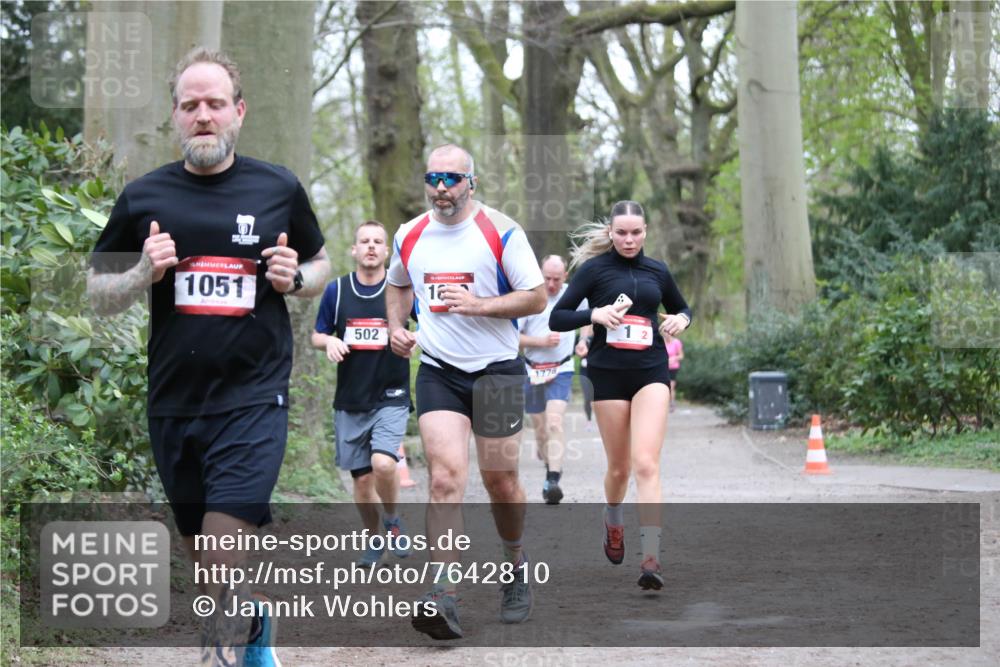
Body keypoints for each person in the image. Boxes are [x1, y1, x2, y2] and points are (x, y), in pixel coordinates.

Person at [87, 47, 330, 667]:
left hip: (254, 398)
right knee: (204, 559)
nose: (203, 115)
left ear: (238, 111)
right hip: (174, 404)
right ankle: (253, 622)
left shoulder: (277, 187)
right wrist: (142, 273)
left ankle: (218, 656)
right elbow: (98, 295)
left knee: (222, 548)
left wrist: (296, 278)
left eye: (215, 104)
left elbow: (321, 264)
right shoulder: (143, 197)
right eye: (190, 104)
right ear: (174, 114)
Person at [385, 144, 546, 639]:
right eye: (433, 178)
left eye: (451, 179)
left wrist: (479, 305)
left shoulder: (501, 231)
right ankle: (444, 595)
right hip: (438, 371)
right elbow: (397, 284)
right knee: (444, 479)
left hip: (497, 371)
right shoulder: (409, 234)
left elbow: (536, 296)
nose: (441, 188)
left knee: (501, 482)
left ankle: (514, 564)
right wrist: (396, 327)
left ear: (471, 183)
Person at [549, 200, 691, 591]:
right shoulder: (594, 271)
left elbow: (682, 307)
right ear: (611, 233)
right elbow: (557, 317)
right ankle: (613, 519)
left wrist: (682, 319)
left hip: (651, 372)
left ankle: (651, 557)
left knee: (646, 462)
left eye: (636, 232)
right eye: (622, 233)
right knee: (619, 469)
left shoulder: (658, 271)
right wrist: (593, 315)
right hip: (608, 376)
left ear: (646, 232)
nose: (629, 240)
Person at [311, 220, 412, 567]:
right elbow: (317, 334)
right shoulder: (337, 291)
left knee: (383, 463)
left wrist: (414, 339)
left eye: (378, 241)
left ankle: (393, 520)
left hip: (391, 394)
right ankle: (373, 539)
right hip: (351, 398)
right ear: (354, 250)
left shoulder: (401, 290)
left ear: (386, 251)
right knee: (362, 481)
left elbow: (429, 326)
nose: (371, 246)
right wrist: (330, 341)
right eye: (365, 241)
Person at [518, 255, 587, 504]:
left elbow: (587, 319)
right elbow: (513, 338)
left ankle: (553, 480)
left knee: (554, 423)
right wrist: (541, 341)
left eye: (556, 279)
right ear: (540, 273)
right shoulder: (529, 296)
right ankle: (549, 461)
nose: (551, 284)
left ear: (565, 277)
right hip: (532, 370)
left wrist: (583, 340)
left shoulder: (573, 295)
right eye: (547, 278)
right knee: (541, 431)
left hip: (561, 368)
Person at [664, 332, 684, 410]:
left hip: (673, 367)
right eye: (665, 333)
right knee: (664, 386)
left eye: (668, 333)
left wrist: (674, 358)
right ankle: (664, 404)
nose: (666, 335)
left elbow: (681, 355)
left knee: (671, 386)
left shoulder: (676, 342)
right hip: (663, 367)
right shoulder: (662, 342)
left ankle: (672, 403)